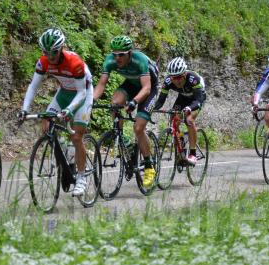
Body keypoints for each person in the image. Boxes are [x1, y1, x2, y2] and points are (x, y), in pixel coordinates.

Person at [18, 28, 94, 196]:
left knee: (76, 136)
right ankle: (66, 152)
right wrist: (24, 109)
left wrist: (69, 109)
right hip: (65, 92)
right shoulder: (43, 62)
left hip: (83, 94)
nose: (50, 56)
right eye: (46, 52)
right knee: (46, 123)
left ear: (61, 48)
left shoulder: (75, 63)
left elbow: (81, 92)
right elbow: (33, 86)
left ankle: (81, 178)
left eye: (53, 52)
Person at [92, 35, 160, 188]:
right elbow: (101, 84)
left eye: (121, 54)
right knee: (115, 103)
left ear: (130, 52)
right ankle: (122, 140)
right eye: (115, 54)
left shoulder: (140, 60)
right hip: (131, 84)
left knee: (138, 127)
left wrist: (134, 102)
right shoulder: (110, 61)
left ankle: (149, 165)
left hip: (149, 88)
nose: (117, 58)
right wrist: (91, 101)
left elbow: (147, 88)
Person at [153, 57, 207, 165]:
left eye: (179, 77)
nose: (176, 81)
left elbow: (198, 100)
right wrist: (152, 109)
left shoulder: (193, 79)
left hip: (196, 99)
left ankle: (192, 153)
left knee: (189, 120)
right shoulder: (168, 81)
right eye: (174, 78)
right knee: (174, 118)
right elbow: (160, 100)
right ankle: (180, 140)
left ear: (185, 74)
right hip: (182, 98)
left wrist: (189, 108)